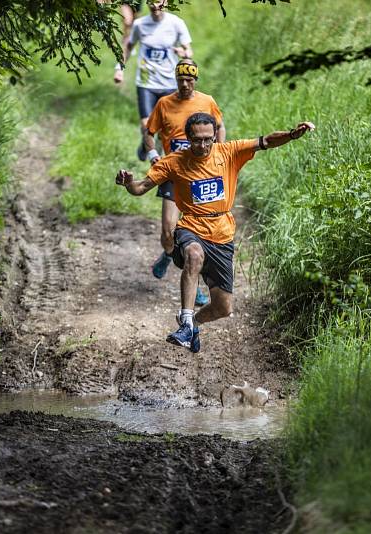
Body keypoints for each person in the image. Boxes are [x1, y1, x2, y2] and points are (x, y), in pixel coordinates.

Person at [115, 113, 315, 352]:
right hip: (191, 226)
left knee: (223, 308)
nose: (203, 145)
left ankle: (195, 324)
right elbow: (140, 188)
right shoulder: (173, 161)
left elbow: (265, 142)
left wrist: (291, 135)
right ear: (187, 138)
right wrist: (128, 182)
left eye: (208, 139)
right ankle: (186, 321)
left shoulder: (228, 151)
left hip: (222, 233)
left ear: (214, 137)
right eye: (197, 140)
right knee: (194, 255)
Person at [145, 58, 226, 306]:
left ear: (196, 80)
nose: (185, 84)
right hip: (174, 171)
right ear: (175, 79)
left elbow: (220, 126)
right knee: (168, 232)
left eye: (189, 79)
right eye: (180, 79)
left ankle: (197, 285)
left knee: (200, 237)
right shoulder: (164, 103)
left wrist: (219, 154)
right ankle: (169, 253)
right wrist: (153, 155)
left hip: (201, 174)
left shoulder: (207, 101)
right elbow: (149, 134)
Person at [112, 0, 193, 162]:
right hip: (146, 82)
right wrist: (119, 69)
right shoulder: (140, 24)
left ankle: (158, 156)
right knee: (146, 125)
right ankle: (150, 152)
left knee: (166, 128)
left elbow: (189, 50)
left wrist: (184, 53)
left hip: (169, 83)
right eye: (151, 2)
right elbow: (128, 47)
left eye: (159, 2)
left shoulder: (176, 23)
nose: (155, 6)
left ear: (166, 2)